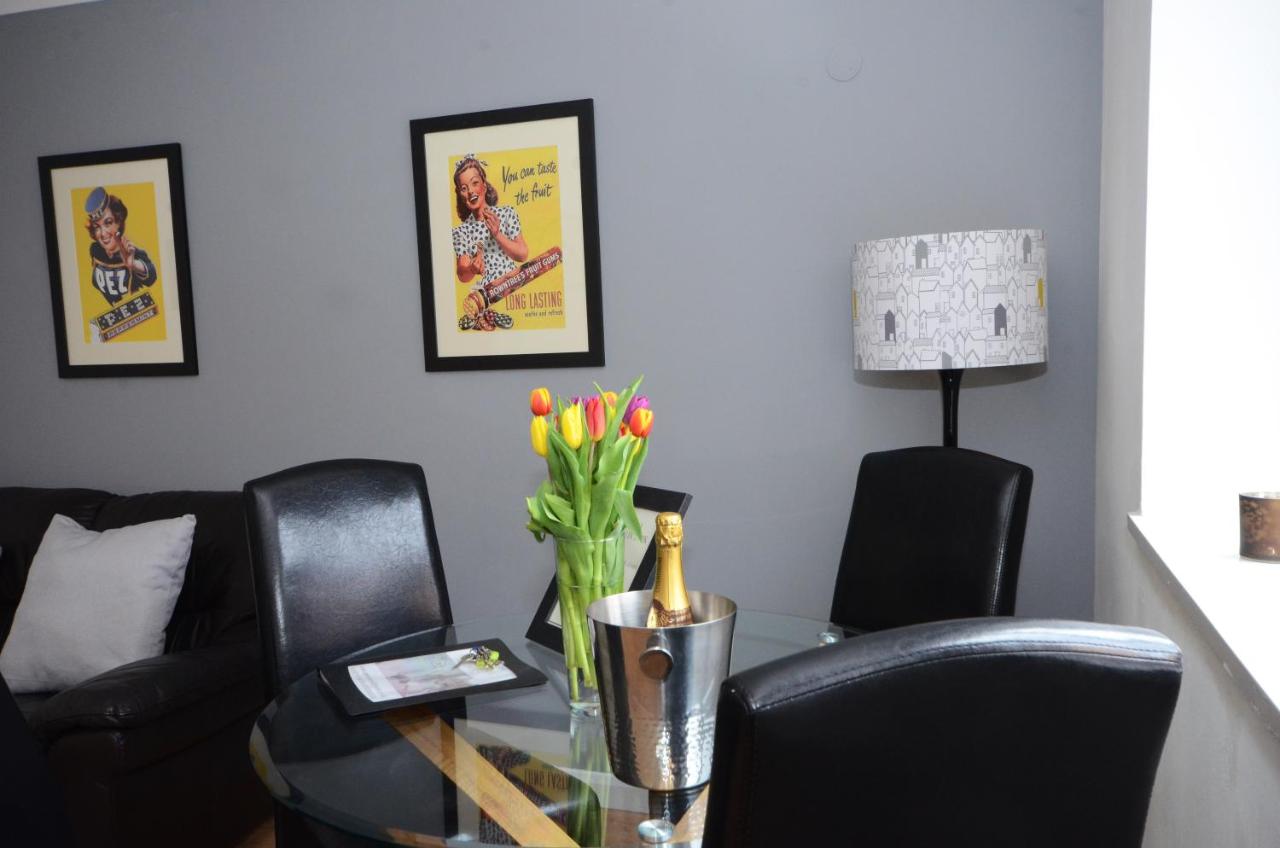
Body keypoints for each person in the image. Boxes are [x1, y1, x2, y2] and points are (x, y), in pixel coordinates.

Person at [451, 155, 528, 290]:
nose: (470, 191)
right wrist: (472, 268)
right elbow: (462, 275)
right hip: (490, 293)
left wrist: (497, 235)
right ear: (460, 196)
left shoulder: (507, 213)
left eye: (475, 183)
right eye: (464, 188)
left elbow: (522, 255)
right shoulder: (461, 231)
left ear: (484, 186)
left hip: (514, 286)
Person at [83, 186, 156, 307]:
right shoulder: (94, 250)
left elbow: (152, 275)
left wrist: (134, 265)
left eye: (108, 223)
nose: (103, 233)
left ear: (119, 223)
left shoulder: (133, 253)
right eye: (97, 227)